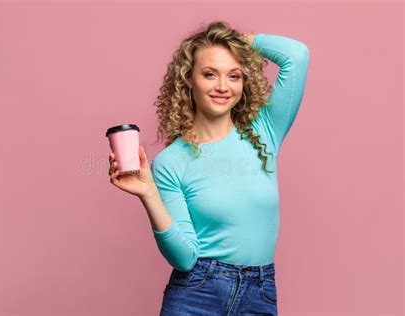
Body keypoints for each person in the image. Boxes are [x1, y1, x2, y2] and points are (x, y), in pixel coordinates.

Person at [108, 21, 310, 316]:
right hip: (196, 294)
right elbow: (185, 258)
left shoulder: (265, 132)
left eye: (234, 76)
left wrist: (236, 40)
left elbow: (297, 55)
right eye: (209, 74)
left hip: (260, 292)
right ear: (189, 79)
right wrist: (148, 193)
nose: (223, 87)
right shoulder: (169, 163)